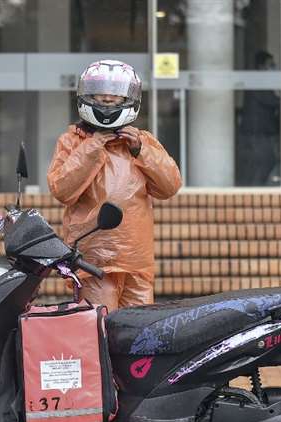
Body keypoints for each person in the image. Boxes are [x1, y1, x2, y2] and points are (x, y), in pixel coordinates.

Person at [47, 60, 181, 312]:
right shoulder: (72, 141)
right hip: (93, 262)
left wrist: (141, 150)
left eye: (116, 95)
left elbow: (170, 186)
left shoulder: (142, 141)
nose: (108, 99)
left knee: (139, 328)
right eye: (100, 94)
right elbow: (62, 190)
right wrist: (92, 147)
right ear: (86, 96)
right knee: (101, 326)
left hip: (137, 262)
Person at [237, 51, 281, 186]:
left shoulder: (261, 82)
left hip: (259, 132)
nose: (274, 68)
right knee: (266, 161)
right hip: (257, 132)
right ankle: (255, 188)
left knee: (260, 163)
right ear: (261, 67)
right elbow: (273, 101)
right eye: (271, 65)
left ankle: (254, 188)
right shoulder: (258, 83)